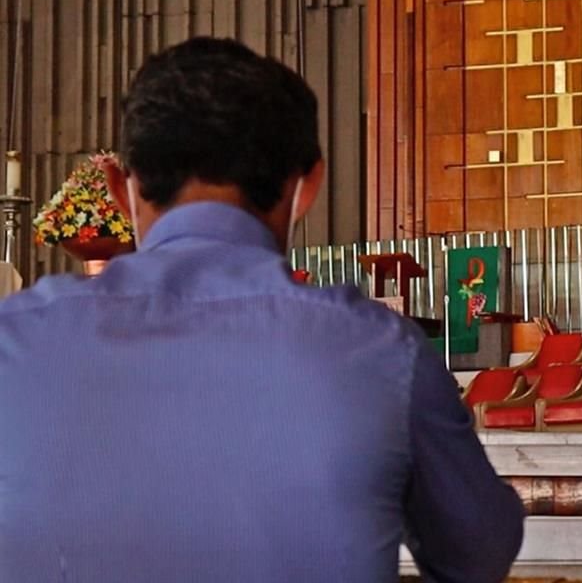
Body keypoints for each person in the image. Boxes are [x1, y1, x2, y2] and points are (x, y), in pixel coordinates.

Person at [0, 37, 524, 582]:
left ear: (118, 189)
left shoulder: (12, 341)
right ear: (307, 187)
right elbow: (478, 553)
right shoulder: (384, 352)